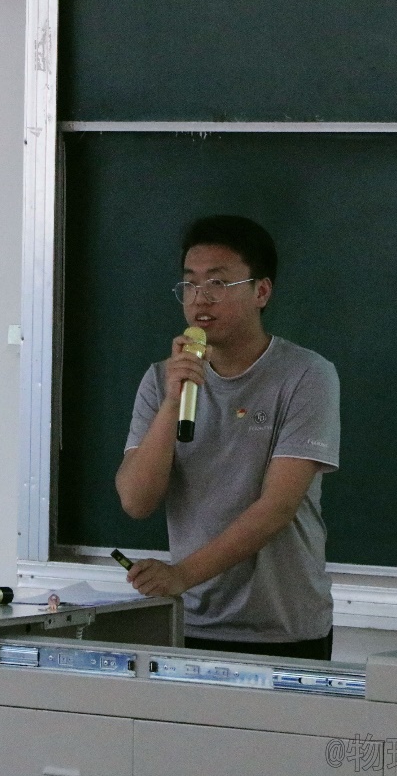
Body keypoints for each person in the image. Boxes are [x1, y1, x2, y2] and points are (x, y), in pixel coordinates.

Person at [115, 214, 340, 661]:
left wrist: (182, 575)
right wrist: (172, 402)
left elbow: (277, 507)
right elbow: (136, 501)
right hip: (188, 620)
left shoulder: (306, 375)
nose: (201, 298)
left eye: (218, 283)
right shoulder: (162, 380)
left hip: (283, 628)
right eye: (190, 284)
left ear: (261, 292)